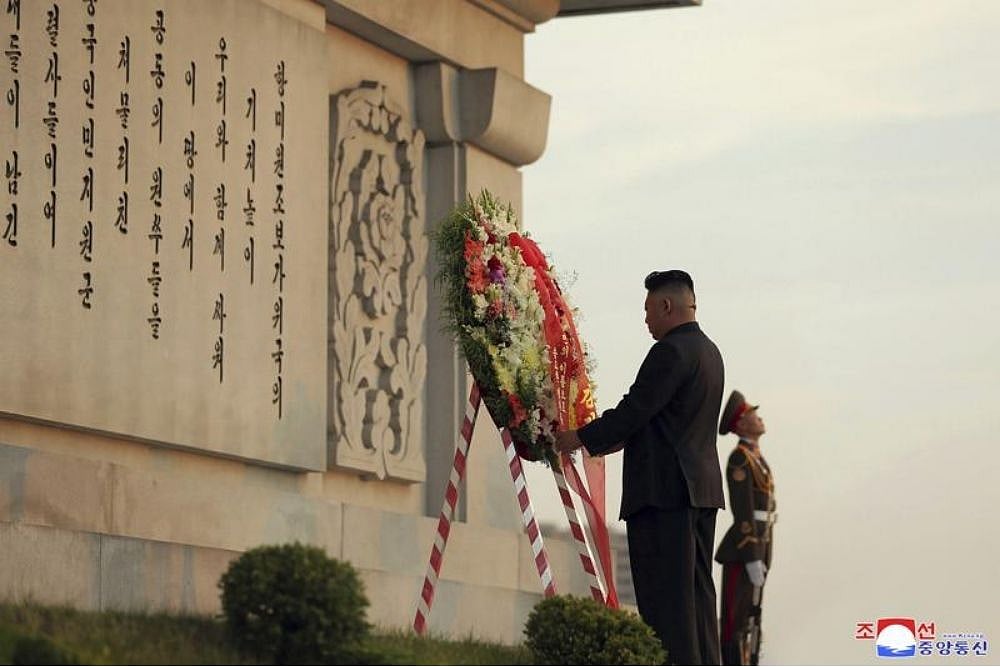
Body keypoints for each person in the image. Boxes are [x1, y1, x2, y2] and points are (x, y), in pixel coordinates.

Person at [554, 269, 725, 665]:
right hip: (700, 492)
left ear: (666, 306)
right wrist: (612, 438)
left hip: (665, 494)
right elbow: (662, 420)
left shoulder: (670, 351)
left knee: (667, 606)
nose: (646, 320)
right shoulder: (710, 352)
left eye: (648, 310)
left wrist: (578, 437)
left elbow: (636, 410)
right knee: (697, 601)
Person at [714, 390, 776, 666]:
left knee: (752, 616)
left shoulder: (755, 457)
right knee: (735, 620)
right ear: (740, 424)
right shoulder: (740, 458)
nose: (759, 418)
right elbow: (743, 512)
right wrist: (751, 556)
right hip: (743, 549)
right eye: (752, 414)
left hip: (761, 543)